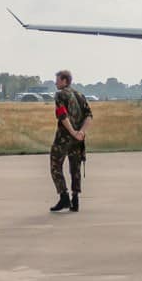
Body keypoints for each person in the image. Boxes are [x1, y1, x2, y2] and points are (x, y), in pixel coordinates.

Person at [49, 69, 92, 213]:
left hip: (63, 138)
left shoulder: (60, 95)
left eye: (58, 80)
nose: (56, 82)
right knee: (75, 168)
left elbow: (62, 115)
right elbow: (89, 116)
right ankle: (75, 199)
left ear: (64, 80)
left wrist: (73, 132)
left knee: (55, 166)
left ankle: (64, 197)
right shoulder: (80, 95)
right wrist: (81, 132)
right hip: (78, 140)